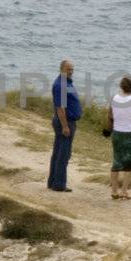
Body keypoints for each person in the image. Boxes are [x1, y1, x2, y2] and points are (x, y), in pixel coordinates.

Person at [47, 59, 81, 192]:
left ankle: (52, 182)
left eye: (72, 69)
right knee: (63, 154)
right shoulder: (61, 84)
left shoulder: (65, 82)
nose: (71, 71)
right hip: (65, 123)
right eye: (68, 69)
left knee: (58, 152)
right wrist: (65, 126)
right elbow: (60, 107)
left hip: (65, 121)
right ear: (61, 69)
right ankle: (59, 184)